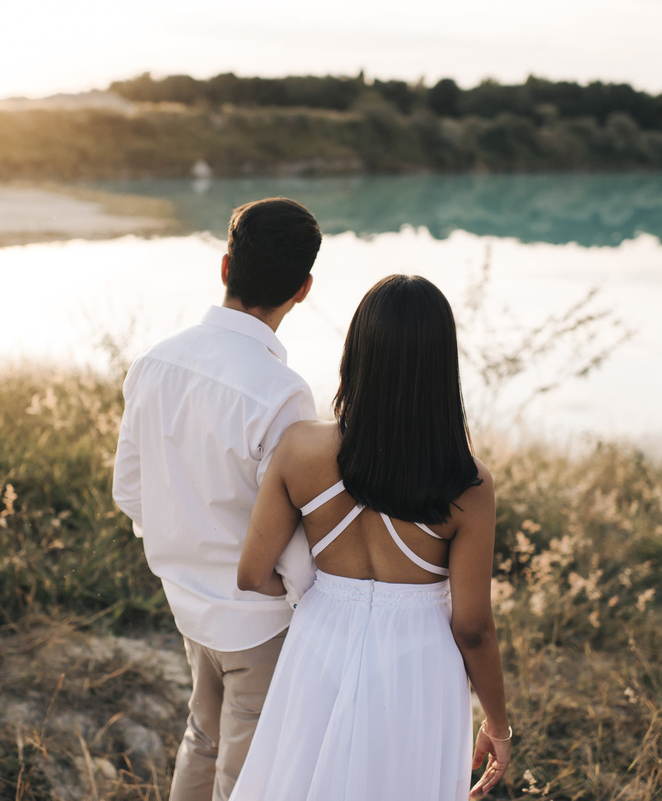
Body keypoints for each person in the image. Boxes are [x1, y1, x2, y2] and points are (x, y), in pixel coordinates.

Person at [230, 275, 512, 800]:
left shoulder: (299, 448)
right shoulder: (468, 483)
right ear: (440, 365)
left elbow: (252, 573)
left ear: (357, 351)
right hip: (418, 659)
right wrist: (498, 725)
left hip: (319, 640)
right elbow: (473, 627)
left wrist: (322, 600)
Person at [112, 197, 324, 801]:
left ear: (226, 268)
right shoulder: (282, 393)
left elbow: (129, 491)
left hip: (186, 603)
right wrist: (309, 598)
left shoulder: (153, 362)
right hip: (258, 619)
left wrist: (185, 546)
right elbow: (289, 531)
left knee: (202, 737)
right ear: (303, 290)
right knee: (247, 769)